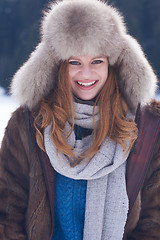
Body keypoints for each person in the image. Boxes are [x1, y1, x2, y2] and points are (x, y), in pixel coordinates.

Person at [0, 0, 160, 239]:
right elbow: (7, 213)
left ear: (113, 65)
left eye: (97, 61)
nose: (86, 73)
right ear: (57, 65)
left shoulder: (148, 128)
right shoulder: (28, 124)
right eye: (75, 62)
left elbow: (154, 221)